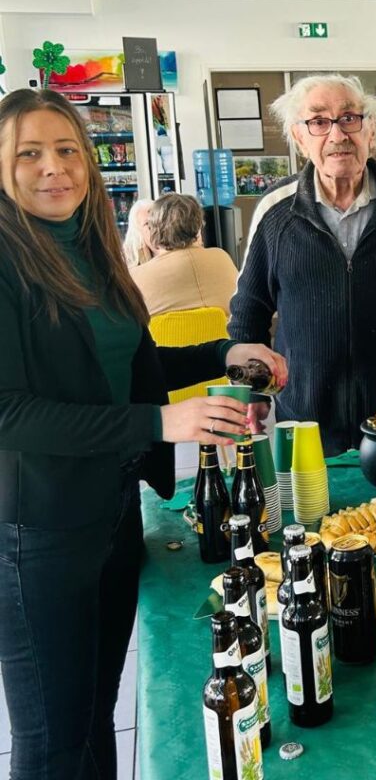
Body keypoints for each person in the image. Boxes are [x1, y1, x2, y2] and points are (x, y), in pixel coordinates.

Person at [0, 88, 286, 780]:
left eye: (68, 150)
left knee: (96, 719)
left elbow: (133, 360)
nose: (53, 168)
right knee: (52, 743)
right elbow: (10, 410)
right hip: (38, 536)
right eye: (29, 153)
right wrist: (159, 421)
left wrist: (222, 353)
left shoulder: (92, 251)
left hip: (111, 515)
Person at [229, 75, 376, 454]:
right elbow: (250, 308)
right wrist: (252, 389)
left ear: (371, 130)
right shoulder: (275, 210)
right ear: (299, 137)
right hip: (305, 410)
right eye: (318, 121)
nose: (337, 135)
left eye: (349, 118)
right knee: (313, 510)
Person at [129, 192, 238, 317]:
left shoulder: (136, 277)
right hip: (224, 335)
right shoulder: (221, 258)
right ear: (198, 227)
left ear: (154, 231)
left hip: (164, 336)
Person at [122, 197, 154, 267]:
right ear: (137, 231)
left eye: (156, 220)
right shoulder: (130, 260)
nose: (155, 227)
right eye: (147, 223)